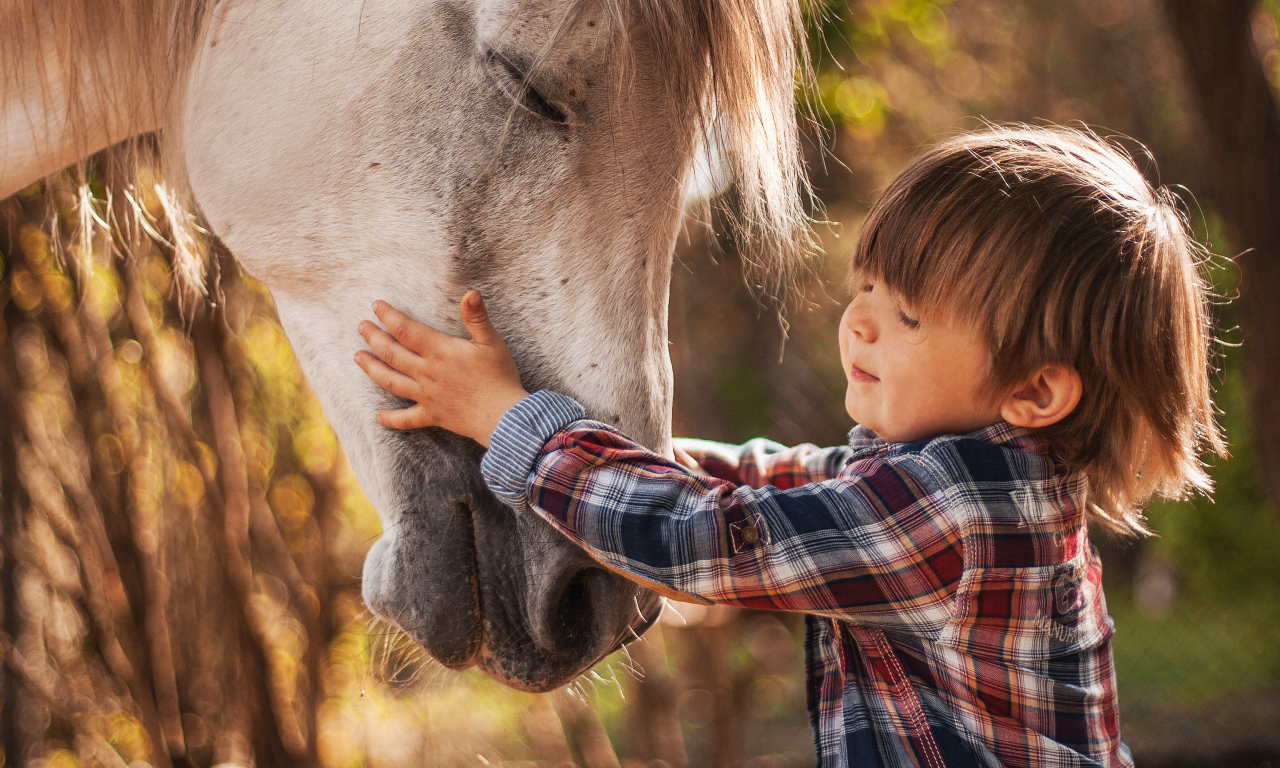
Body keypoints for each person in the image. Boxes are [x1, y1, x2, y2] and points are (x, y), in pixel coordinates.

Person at [353, 126, 1224, 767]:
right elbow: (783, 485)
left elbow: (715, 538)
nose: (861, 321)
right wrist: (634, 449)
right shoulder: (976, 482)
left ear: (1036, 389)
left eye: (909, 315)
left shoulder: (952, 513)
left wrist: (512, 425)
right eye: (869, 285)